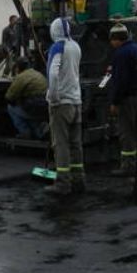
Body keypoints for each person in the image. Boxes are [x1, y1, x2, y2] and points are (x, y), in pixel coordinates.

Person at [45, 17, 85, 196]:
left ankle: (62, 183)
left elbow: (53, 74)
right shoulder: (76, 46)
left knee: (61, 144)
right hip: (77, 102)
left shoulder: (57, 47)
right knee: (76, 144)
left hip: (62, 104)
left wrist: (53, 97)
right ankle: (79, 180)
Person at [107, 23, 137, 178]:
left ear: (117, 39)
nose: (111, 43)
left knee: (126, 132)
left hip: (127, 99)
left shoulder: (120, 54)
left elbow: (120, 81)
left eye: (111, 39)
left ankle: (128, 166)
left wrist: (114, 102)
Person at [5, 57, 48, 140]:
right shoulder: (38, 74)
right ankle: (39, 133)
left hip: (33, 107)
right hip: (44, 107)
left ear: (17, 67)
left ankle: (24, 132)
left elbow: (9, 97)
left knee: (11, 108)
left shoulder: (21, 77)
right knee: (28, 114)